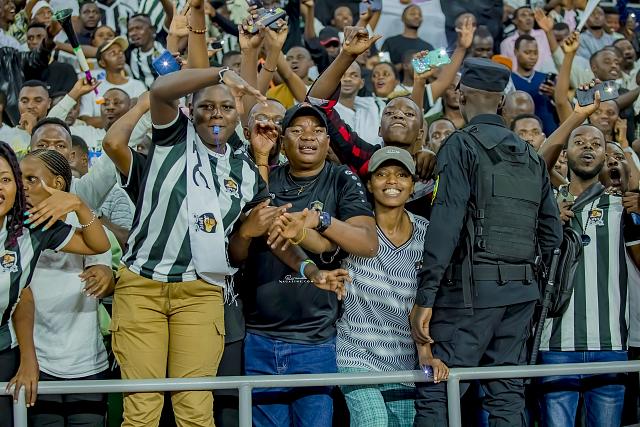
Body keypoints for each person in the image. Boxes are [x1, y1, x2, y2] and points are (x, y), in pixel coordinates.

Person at [107, 56, 317, 425]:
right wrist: (221, 73)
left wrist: (310, 269)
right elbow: (160, 90)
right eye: (206, 106)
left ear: (238, 115)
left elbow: (268, 234)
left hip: (201, 292)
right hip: (141, 286)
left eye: (225, 107)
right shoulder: (172, 137)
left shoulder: (247, 172)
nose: (216, 114)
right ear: (190, 111)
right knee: (141, 410)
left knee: (195, 410)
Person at [410, 57, 563, 426]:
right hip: (521, 295)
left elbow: (445, 227)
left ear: (461, 97)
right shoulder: (530, 155)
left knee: (438, 391)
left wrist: (425, 298)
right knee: (507, 398)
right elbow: (552, 235)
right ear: (501, 102)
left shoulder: (460, 145)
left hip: (468, 295)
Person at [238, 102, 377, 427]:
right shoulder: (266, 176)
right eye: (297, 130)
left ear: (328, 141)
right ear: (283, 140)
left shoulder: (341, 178)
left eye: (317, 130)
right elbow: (260, 223)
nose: (308, 136)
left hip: (315, 340)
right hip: (259, 337)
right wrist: (261, 159)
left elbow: (367, 243)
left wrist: (319, 220)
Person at [0, 140, 110, 425]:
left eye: (30, 179)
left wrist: (79, 205)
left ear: (58, 184)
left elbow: (100, 247)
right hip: (34, 356)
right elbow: (24, 296)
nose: (22, 187)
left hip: (81, 362)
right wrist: (29, 358)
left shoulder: (46, 227)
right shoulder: (21, 224)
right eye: (18, 178)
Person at [336, 147, 445, 427]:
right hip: (356, 354)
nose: (392, 181)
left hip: (405, 360)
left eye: (402, 175)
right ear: (369, 184)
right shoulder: (355, 228)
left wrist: (425, 353)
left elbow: (424, 300)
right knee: (373, 421)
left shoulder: (427, 233)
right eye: (382, 174)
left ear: (413, 185)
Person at [539, 125, 638, 427]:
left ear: (605, 155)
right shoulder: (545, 206)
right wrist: (547, 224)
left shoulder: (623, 206)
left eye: (596, 143)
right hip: (555, 344)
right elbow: (537, 163)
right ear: (565, 153)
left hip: (610, 345)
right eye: (579, 141)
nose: (587, 147)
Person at [511, 35, 559, 135]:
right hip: (522, 134)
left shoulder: (546, 78)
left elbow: (562, 106)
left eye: (535, 53)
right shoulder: (509, 80)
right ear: (516, 52)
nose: (532, 57)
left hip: (550, 133)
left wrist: (554, 95)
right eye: (527, 52)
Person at [500, 6, 557, 73]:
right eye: (523, 15)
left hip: (546, 76)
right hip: (517, 78)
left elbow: (555, 54)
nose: (528, 18)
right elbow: (505, 68)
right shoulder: (506, 43)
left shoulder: (544, 34)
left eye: (531, 15)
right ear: (514, 20)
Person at [380, 4, 434, 69]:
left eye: (420, 15)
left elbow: (434, 71)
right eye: (412, 14)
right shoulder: (390, 42)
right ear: (403, 18)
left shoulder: (428, 47)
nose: (417, 16)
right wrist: (405, 65)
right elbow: (382, 68)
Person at [127, 13, 166, 89]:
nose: (133, 33)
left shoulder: (164, 44)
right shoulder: (129, 53)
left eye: (138, 28)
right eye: (130, 30)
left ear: (152, 30)